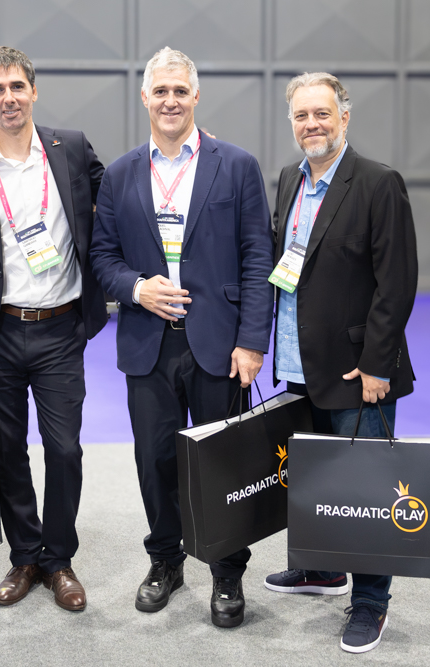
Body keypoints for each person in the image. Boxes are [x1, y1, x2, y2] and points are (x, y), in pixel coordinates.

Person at [91, 47, 274, 628]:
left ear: (196, 96)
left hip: (219, 342)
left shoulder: (236, 165)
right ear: (144, 97)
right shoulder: (119, 174)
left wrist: (252, 340)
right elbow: (102, 257)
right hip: (148, 342)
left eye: (180, 91)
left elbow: (257, 256)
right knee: (156, 461)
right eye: (160, 91)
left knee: (221, 462)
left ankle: (227, 570)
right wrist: (136, 288)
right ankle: (166, 561)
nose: (170, 101)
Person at [0, 46, 107, 612]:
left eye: (17, 86)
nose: (8, 98)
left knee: (64, 450)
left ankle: (59, 559)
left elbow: (115, 204)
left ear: (33, 91)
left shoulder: (71, 148)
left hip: (61, 329)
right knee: (7, 450)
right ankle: (26, 556)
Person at [261, 72, 418, 654]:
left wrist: (378, 365)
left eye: (322, 113)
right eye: (301, 115)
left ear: (344, 117)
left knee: (368, 487)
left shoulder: (378, 182)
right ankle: (324, 569)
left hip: (357, 371)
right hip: (298, 362)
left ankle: (372, 600)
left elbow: (397, 283)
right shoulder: (289, 180)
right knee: (317, 477)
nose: (312, 125)